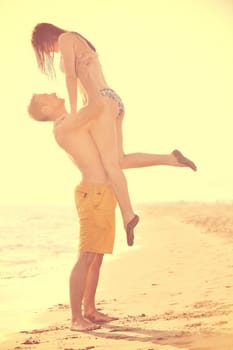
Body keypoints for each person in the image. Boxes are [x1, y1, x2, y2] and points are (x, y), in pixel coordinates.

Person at [28, 92, 197, 330]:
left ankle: (90, 309)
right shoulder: (63, 126)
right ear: (45, 109)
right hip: (93, 193)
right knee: (86, 256)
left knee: (96, 257)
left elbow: (116, 157)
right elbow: (98, 105)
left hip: (104, 193)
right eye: (48, 96)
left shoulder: (72, 121)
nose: (55, 93)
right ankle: (76, 318)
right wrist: (91, 77)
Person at [30, 23, 196, 246]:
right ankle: (171, 159)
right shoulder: (77, 39)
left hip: (100, 102)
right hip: (112, 99)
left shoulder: (66, 38)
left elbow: (70, 76)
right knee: (119, 160)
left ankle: (128, 215)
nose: (49, 53)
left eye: (44, 48)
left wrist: (73, 111)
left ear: (46, 38)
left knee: (110, 165)